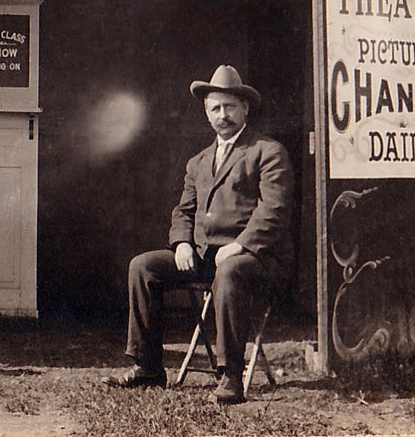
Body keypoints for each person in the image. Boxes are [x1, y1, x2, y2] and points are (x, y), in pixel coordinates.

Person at [104, 63, 293, 405]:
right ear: (207, 114)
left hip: (255, 260)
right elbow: (183, 212)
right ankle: (148, 367)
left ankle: (230, 376)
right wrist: (181, 244)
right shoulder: (198, 162)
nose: (223, 115)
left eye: (230, 107)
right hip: (206, 258)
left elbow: (274, 211)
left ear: (245, 108)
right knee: (143, 266)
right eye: (215, 108)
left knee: (231, 270)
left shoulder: (267, 152)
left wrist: (239, 246)